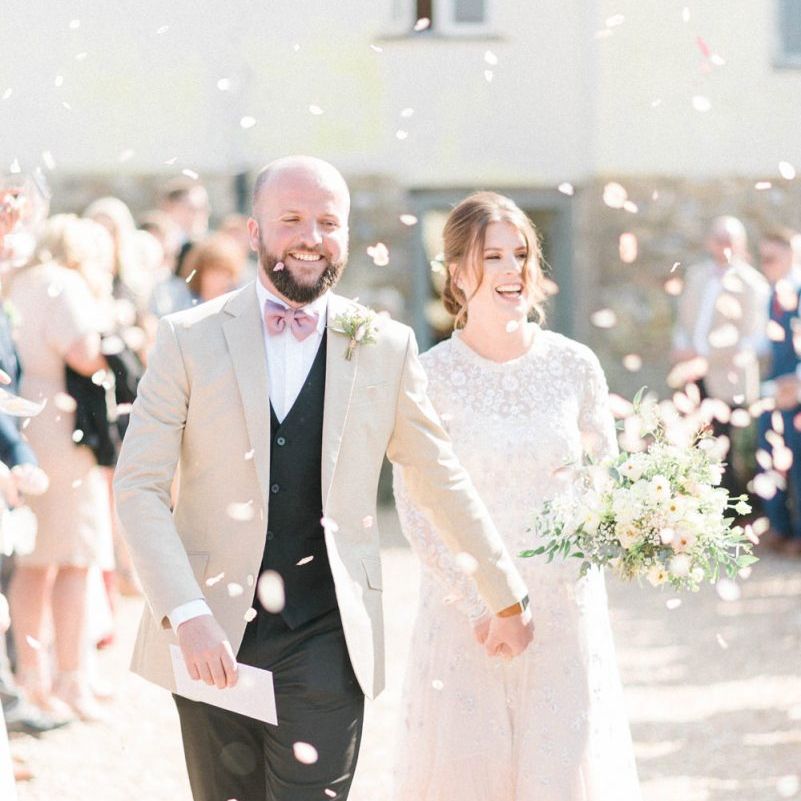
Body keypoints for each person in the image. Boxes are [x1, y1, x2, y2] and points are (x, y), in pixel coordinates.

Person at [113, 156, 533, 801]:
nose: (311, 236)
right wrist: (187, 613)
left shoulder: (384, 346)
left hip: (328, 633)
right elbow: (139, 486)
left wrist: (505, 591)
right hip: (213, 631)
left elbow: (436, 474)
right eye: (292, 219)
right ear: (254, 232)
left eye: (328, 222)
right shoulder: (187, 339)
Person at [391, 191, 640, 800]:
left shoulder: (575, 365)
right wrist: (482, 607)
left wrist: (636, 528)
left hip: (562, 607)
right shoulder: (428, 375)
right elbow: (416, 505)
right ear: (456, 272)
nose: (512, 270)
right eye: (493, 255)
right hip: (465, 614)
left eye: (521, 254)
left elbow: (604, 480)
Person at [6, 214, 113, 722]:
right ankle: (72, 680)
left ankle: (32, 678)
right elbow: (85, 353)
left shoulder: (16, 280)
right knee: (72, 556)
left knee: (32, 561)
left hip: (21, 421)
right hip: (60, 425)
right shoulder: (64, 283)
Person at [671, 216, 769, 496]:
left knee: (727, 448)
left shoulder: (753, 283)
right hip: (693, 375)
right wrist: (681, 348)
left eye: (730, 239)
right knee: (694, 441)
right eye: (719, 238)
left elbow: (752, 339)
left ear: (741, 244)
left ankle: (730, 510)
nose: (724, 245)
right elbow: (684, 321)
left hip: (729, 379)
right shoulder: (697, 275)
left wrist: (701, 354)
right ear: (709, 242)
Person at [757, 227, 801, 556]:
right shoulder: (769, 296)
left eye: (772, 258)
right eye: (763, 259)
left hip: (797, 391)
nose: (766, 264)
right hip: (772, 391)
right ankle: (779, 528)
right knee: (769, 457)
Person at [181, 232, 247, 304]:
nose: (221, 280)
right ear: (200, 274)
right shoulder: (182, 301)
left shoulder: (233, 306)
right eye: (215, 273)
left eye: (226, 275)